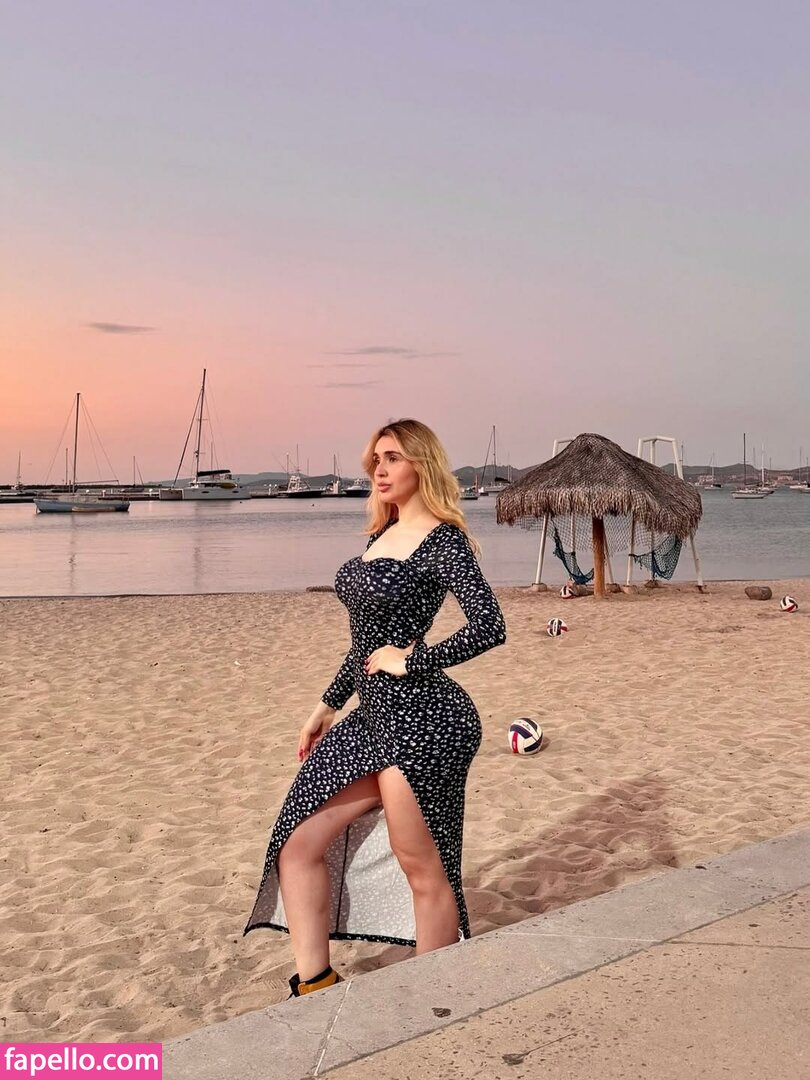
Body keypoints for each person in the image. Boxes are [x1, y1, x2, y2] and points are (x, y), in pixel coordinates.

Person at [244, 418, 506, 997]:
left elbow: (490, 626)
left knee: (422, 867)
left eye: (391, 458)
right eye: (375, 462)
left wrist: (412, 660)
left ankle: (434, 993)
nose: (379, 471)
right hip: (371, 717)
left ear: (422, 464)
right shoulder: (379, 537)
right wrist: (327, 704)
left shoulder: (444, 540)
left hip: (427, 721)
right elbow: (364, 644)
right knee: (297, 842)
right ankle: (316, 983)